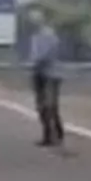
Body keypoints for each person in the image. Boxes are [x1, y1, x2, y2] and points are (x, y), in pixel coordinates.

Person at [27, 9, 65, 148]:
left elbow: (46, 54)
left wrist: (36, 63)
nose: (33, 22)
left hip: (51, 73)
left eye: (35, 19)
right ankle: (48, 134)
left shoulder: (48, 35)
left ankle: (57, 133)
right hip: (39, 73)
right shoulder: (35, 36)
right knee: (41, 106)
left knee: (50, 105)